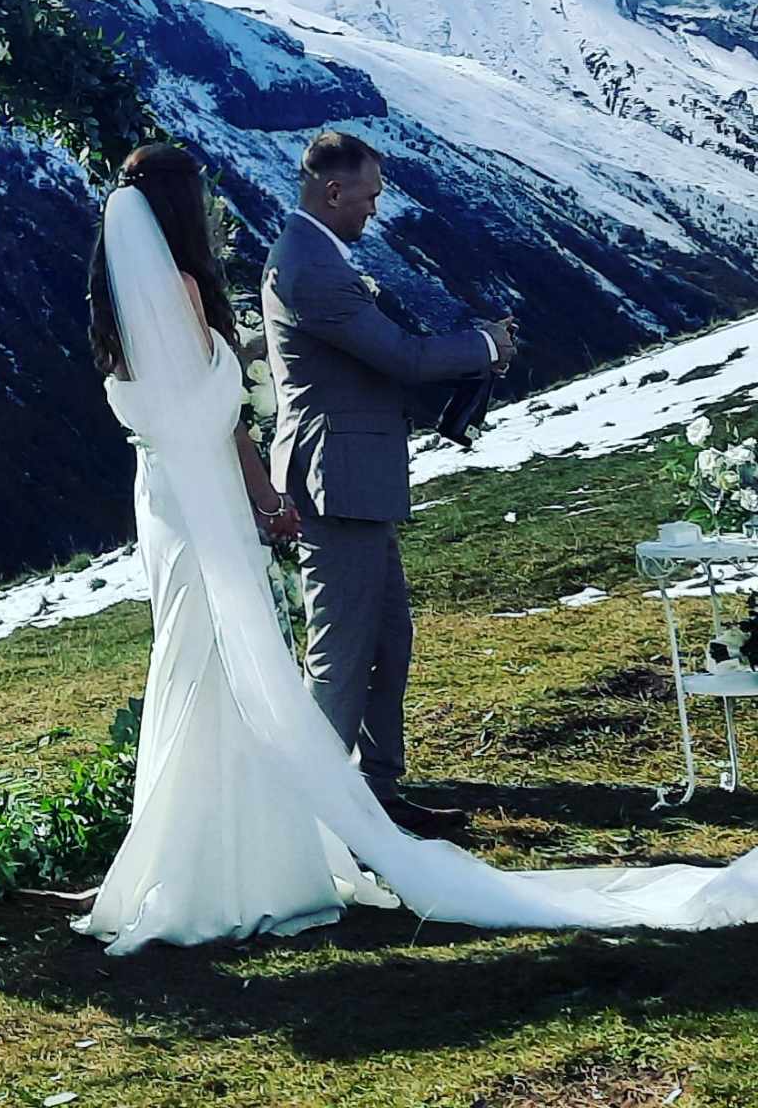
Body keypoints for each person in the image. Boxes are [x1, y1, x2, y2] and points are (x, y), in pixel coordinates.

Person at [77, 141, 758, 952]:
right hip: (210, 506)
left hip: (170, 502)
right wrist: (261, 491)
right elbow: (227, 412)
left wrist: (257, 484)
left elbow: (191, 413)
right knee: (243, 661)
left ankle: (218, 840)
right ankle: (274, 834)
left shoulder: (118, 303)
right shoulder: (194, 288)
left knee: (202, 663)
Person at [262, 131, 516, 838]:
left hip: (357, 478)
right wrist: (485, 346)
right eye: (369, 195)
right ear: (333, 191)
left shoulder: (316, 256)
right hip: (337, 478)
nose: (376, 209)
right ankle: (310, 815)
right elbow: (398, 356)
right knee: (342, 653)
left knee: (386, 642)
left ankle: (376, 793)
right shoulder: (310, 266)